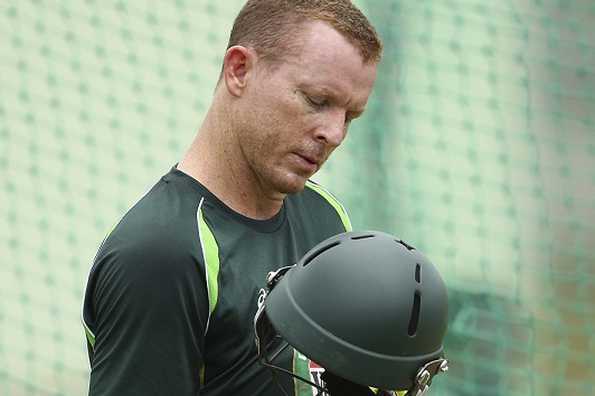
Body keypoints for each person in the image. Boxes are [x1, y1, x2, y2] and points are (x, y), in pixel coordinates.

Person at [82, 1, 381, 395]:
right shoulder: (159, 253)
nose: (335, 133)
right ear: (239, 70)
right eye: (317, 100)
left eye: (350, 116)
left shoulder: (327, 216)